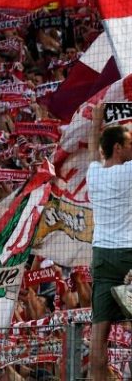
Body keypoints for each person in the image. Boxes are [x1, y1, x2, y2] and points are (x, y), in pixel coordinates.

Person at [87, 102, 132, 381]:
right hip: (129, 255)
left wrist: (95, 121)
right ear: (118, 147)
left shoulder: (93, 174)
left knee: (99, 334)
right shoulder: (128, 172)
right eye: (129, 142)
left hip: (102, 255)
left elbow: (94, 148)